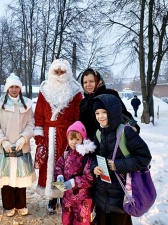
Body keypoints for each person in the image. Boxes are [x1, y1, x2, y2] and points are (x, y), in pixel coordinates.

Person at [90, 94, 152, 225]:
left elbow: (144, 157)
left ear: (113, 111)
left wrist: (118, 165)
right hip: (102, 191)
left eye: (104, 112)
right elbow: (94, 156)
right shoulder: (98, 133)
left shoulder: (126, 132)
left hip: (122, 192)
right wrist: (94, 167)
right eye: (97, 113)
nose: (100, 116)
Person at [34, 59, 83, 213]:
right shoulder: (45, 89)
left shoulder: (75, 90)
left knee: (67, 166)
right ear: (52, 72)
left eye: (63, 72)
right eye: (57, 71)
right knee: (51, 167)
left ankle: (64, 195)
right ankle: (52, 197)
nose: (60, 74)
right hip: (49, 135)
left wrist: (76, 136)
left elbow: (78, 116)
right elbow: (39, 115)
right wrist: (39, 136)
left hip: (68, 135)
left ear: (68, 72)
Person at [0, 73, 36, 217]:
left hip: (22, 146)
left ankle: (21, 204)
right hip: (4, 148)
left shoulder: (27, 104)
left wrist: (23, 138)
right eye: (11, 87)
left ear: (20, 88)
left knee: (21, 178)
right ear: (7, 88)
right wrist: (3, 140)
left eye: (17, 87)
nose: (14, 89)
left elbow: (30, 123)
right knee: (6, 178)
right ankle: (8, 205)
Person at [79, 68, 140, 141]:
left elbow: (122, 113)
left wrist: (133, 125)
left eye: (91, 81)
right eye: (85, 82)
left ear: (99, 81)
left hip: (110, 143)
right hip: (89, 145)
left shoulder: (110, 94)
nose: (88, 85)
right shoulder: (83, 102)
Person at [54, 121, 96, 225]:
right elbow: (59, 166)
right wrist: (59, 176)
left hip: (83, 200)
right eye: (71, 139)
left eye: (77, 139)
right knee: (66, 220)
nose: (74, 142)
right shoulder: (66, 153)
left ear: (83, 139)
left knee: (81, 222)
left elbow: (89, 178)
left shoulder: (86, 156)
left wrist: (73, 182)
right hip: (67, 198)